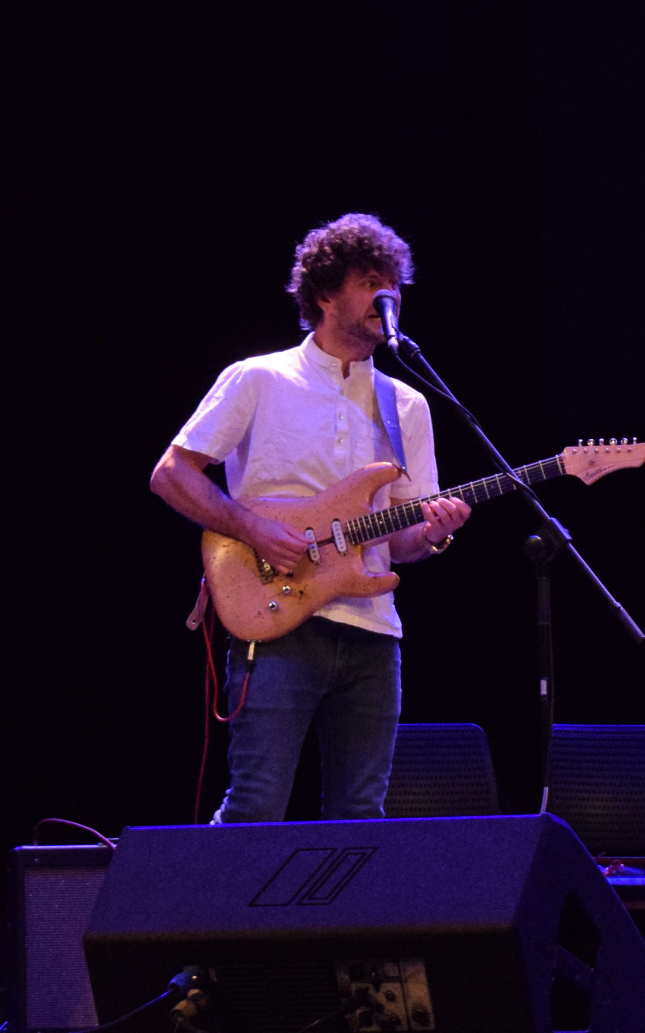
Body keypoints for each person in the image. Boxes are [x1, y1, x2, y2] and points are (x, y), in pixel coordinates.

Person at [150, 214, 471, 822]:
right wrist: (253, 529)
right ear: (325, 293)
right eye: (371, 281)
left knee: (361, 815)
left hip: (374, 632)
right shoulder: (258, 379)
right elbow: (171, 474)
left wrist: (431, 533)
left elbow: (399, 541)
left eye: (395, 283)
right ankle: (213, 918)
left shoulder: (408, 404)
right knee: (256, 806)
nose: (389, 295)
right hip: (276, 622)